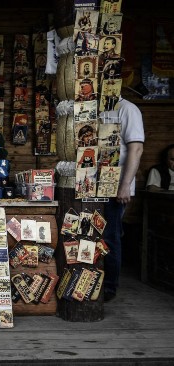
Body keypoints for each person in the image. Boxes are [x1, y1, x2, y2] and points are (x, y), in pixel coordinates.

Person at [100, 97, 144, 302]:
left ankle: (109, 287)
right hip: (91, 186)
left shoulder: (127, 109)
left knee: (110, 235)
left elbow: (136, 148)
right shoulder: (94, 107)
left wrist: (125, 185)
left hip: (115, 186)